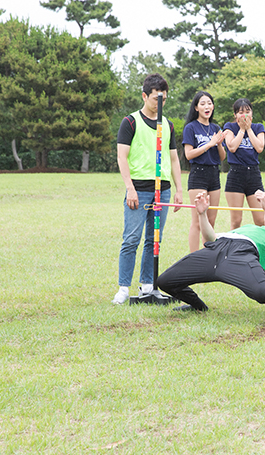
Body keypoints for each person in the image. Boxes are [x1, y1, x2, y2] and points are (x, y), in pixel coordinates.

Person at [157, 190, 265, 323]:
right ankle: (198, 307)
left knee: (263, 292)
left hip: (243, 255)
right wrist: (202, 214)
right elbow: (211, 238)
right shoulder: (249, 228)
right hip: (217, 249)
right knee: (165, 281)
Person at [112, 73, 183, 305]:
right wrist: (129, 188)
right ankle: (124, 288)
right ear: (144, 96)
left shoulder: (168, 125)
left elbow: (173, 159)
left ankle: (148, 286)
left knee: (154, 240)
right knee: (131, 239)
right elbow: (122, 157)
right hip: (139, 189)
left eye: (163, 99)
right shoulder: (130, 122)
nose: (159, 103)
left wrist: (179, 189)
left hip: (162, 190)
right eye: (155, 99)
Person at [182, 91, 227, 252]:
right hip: (198, 175)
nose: (206, 106)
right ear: (196, 108)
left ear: (213, 106)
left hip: (214, 175)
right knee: (197, 221)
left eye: (209, 103)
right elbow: (188, 154)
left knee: (211, 220)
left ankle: (207, 257)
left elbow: (222, 157)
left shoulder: (215, 128)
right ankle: (193, 258)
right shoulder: (191, 127)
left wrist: (219, 144)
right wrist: (209, 144)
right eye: (202, 103)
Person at [223, 98, 265, 230]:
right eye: (241, 112)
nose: (245, 115)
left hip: (253, 174)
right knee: (236, 221)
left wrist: (249, 129)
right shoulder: (229, 127)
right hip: (236, 175)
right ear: (235, 115)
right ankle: (234, 249)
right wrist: (242, 130)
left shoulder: (258, 127)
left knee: (260, 220)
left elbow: (259, 147)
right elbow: (232, 147)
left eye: (248, 111)